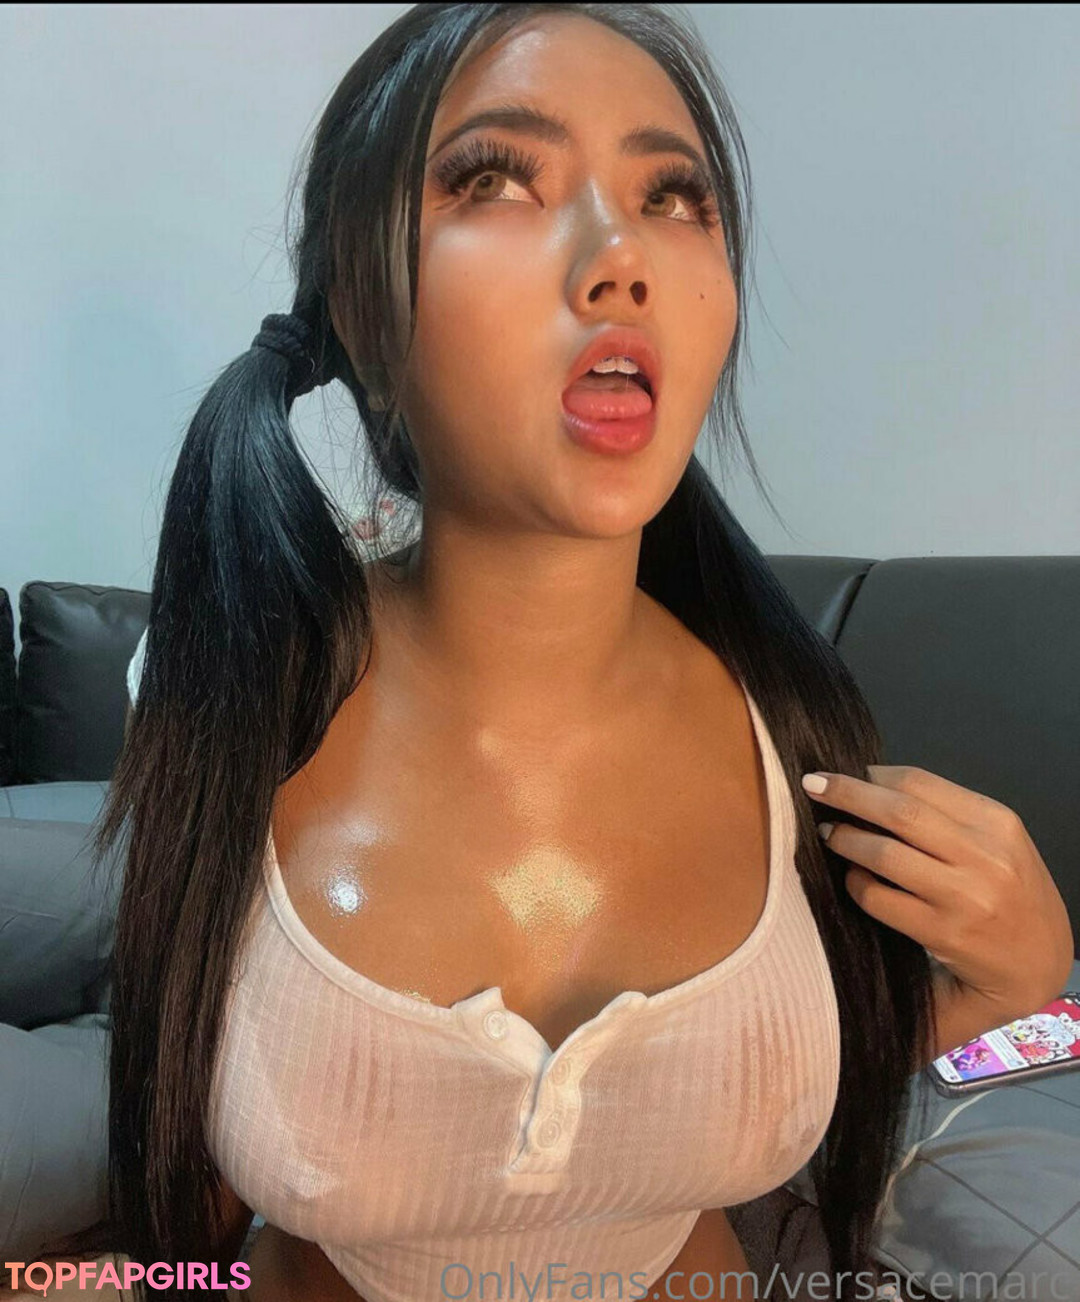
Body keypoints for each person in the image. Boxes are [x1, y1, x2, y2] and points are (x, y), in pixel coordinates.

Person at [24, 5, 1071, 1301]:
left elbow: (779, 1073)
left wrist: (1014, 980)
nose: (619, 256)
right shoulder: (245, 696)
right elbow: (186, 1133)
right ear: (363, 306)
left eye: (672, 197)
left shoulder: (789, 724)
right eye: (496, 180)